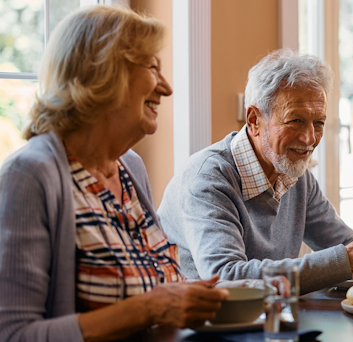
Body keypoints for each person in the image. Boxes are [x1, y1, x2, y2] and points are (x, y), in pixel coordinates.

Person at [0, 5, 229, 341]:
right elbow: (13, 334)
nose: (166, 88)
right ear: (104, 72)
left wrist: (187, 300)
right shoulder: (30, 176)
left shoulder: (130, 167)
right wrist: (149, 308)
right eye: (153, 67)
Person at [158, 49, 353, 295]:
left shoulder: (294, 172)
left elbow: (342, 244)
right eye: (295, 120)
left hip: (269, 319)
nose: (309, 138)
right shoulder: (207, 180)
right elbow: (226, 277)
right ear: (254, 120)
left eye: (319, 123)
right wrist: (346, 259)